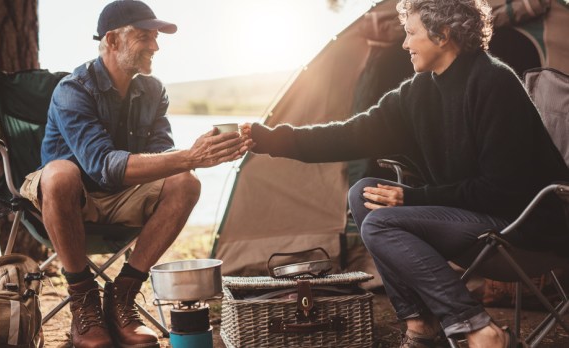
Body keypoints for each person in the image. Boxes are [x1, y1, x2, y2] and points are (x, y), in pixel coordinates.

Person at [241, 0, 569, 347]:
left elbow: (502, 190)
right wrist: (270, 140)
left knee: (382, 222)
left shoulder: (494, 82)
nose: (404, 44)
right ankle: (422, 325)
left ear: (442, 35)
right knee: (363, 194)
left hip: (525, 232)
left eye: (411, 33)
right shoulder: (420, 92)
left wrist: (412, 197)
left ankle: (479, 329)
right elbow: (352, 134)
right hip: (473, 225)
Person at [19, 1, 250, 347]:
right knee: (60, 174)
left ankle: (123, 295)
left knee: (186, 182)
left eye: (156, 38)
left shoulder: (153, 91)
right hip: (68, 200)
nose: (155, 47)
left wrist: (202, 156)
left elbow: (162, 159)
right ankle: (84, 301)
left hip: (122, 196)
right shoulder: (73, 90)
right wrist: (190, 156)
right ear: (112, 41)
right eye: (145, 37)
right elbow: (102, 165)